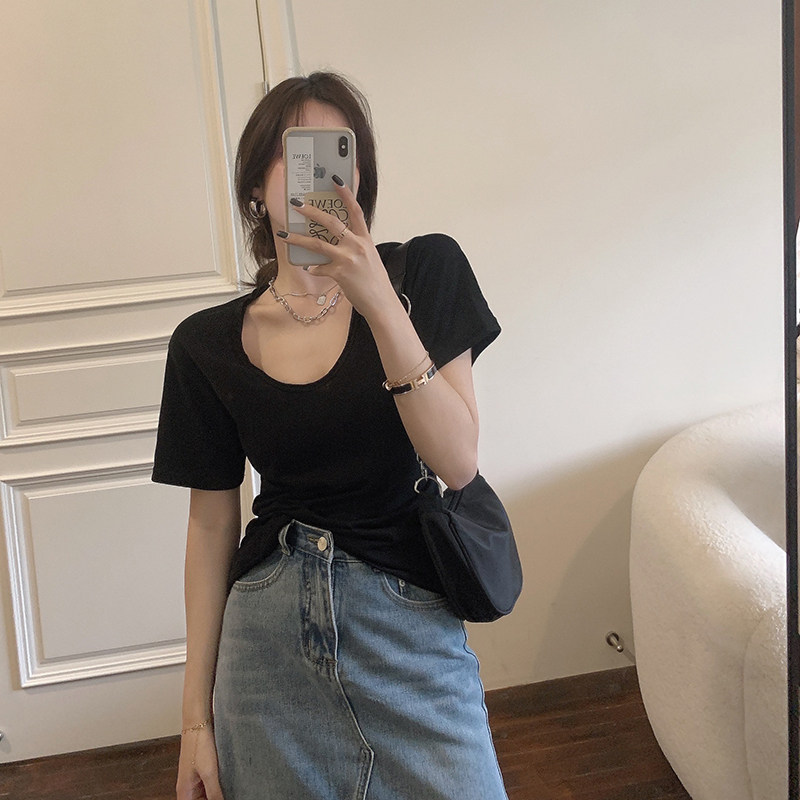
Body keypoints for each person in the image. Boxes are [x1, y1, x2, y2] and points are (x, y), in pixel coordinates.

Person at [152, 71, 508, 800]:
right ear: (258, 185)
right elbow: (211, 525)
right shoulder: (204, 343)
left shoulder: (424, 272)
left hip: (405, 624)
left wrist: (380, 303)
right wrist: (194, 721)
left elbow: (457, 461)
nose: (319, 177)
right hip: (265, 641)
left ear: (358, 174)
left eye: (335, 154)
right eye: (296, 154)